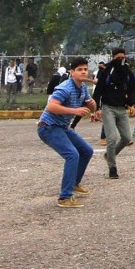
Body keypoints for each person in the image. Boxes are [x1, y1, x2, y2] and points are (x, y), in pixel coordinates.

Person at [37, 57, 96, 208]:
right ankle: (65, 197)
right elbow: (51, 106)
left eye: (85, 69)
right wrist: (74, 110)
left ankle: (74, 183)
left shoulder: (82, 87)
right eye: (79, 69)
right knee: (72, 154)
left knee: (87, 151)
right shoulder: (65, 88)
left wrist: (93, 106)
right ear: (72, 72)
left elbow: (91, 108)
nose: (83, 72)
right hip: (48, 127)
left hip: (62, 127)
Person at [93, 47, 135, 179]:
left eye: (123, 58)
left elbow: (132, 89)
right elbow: (98, 90)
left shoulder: (127, 72)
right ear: (113, 57)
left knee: (126, 138)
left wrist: (132, 103)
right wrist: (96, 108)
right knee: (111, 137)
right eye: (118, 58)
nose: (121, 60)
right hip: (108, 108)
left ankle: (109, 155)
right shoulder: (107, 72)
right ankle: (112, 167)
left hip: (121, 108)